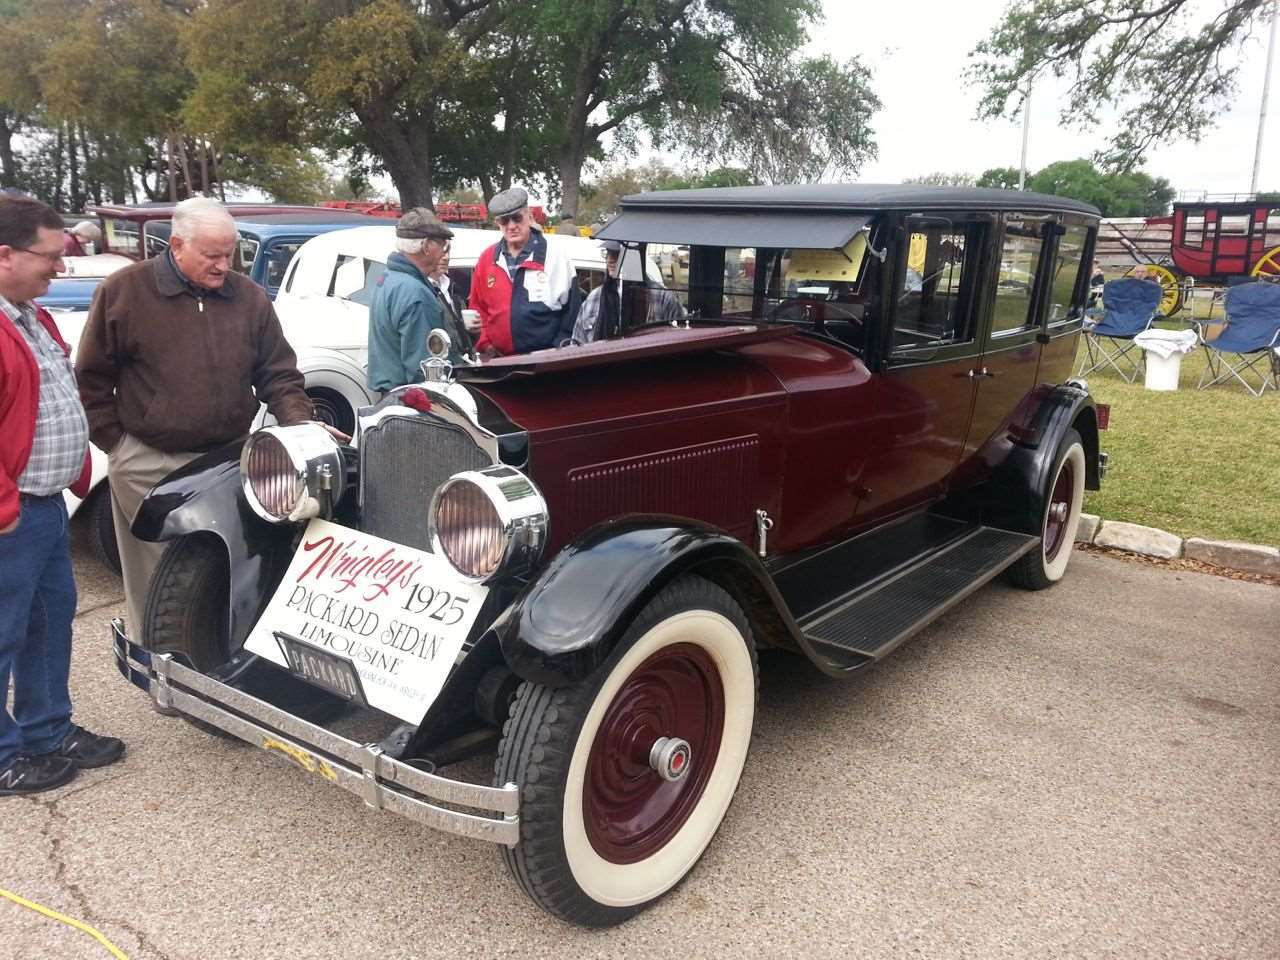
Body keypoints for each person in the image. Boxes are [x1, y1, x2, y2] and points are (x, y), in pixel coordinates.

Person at [76, 196, 334, 647]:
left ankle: (217, 660)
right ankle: (155, 662)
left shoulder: (249, 298)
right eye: (211, 255)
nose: (223, 265)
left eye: (229, 253)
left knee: (224, 564)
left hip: (227, 459)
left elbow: (279, 374)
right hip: (148, 461)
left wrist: (300, 426)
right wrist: (116, 445)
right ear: (177, 245)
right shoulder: (124, 292)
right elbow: (92, 378)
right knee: (156, 577)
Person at [0, 195, 124, 796]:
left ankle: (47, 730)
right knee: (3, 631)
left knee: (48, 624)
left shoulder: (28, 314)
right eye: (50, 256)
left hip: (44, 504)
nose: (60, 267)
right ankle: (5, 754)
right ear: (5, 255)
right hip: (11, 514)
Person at [367, 208, 469, 393]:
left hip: (391, 396)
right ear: (427, 246)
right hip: (413, 401)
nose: (443, 253)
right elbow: (425, 369)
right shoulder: (416, 293)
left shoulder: (388, 278)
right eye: (442, 245)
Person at [470, 187, 581, 356]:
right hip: (499, 359)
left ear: (529, 216)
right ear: (498, 224)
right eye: (504, 221)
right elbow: (478, 309)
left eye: (517, 218)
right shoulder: (487, 258)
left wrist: (558, 348)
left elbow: (572, 311)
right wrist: (486, 344)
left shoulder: (555, 255)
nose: (511, 226)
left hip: (547, 360)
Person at [572, 240, 684, 344]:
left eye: (616, 255)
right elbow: (577, 344)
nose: (609, 260)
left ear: (632, 257)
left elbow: (677, 341)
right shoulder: (594, 298)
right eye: (607, 254)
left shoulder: (661, 297)